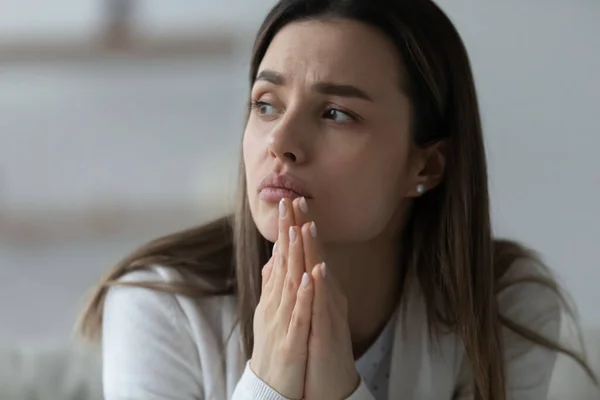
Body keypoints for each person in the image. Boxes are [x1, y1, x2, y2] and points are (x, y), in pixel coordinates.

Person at [77, 0, 596, 399]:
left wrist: (339, 389)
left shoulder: (503, 301)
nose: (280, 141)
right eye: (265, 104)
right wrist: (269, 382)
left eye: (336, 114)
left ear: (427, 165)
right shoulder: (160, 304)